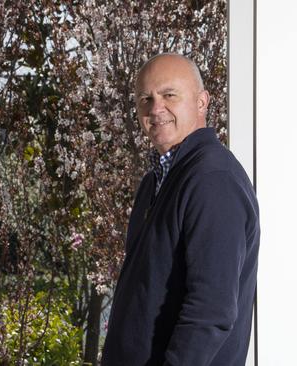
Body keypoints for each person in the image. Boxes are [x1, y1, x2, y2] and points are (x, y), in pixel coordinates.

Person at [101, 53, 260, 366]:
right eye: (145, 98)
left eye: (169, 95)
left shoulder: (213, 180)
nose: (156, 108)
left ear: (202, 102)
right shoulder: (156, 181)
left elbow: (210, 310)